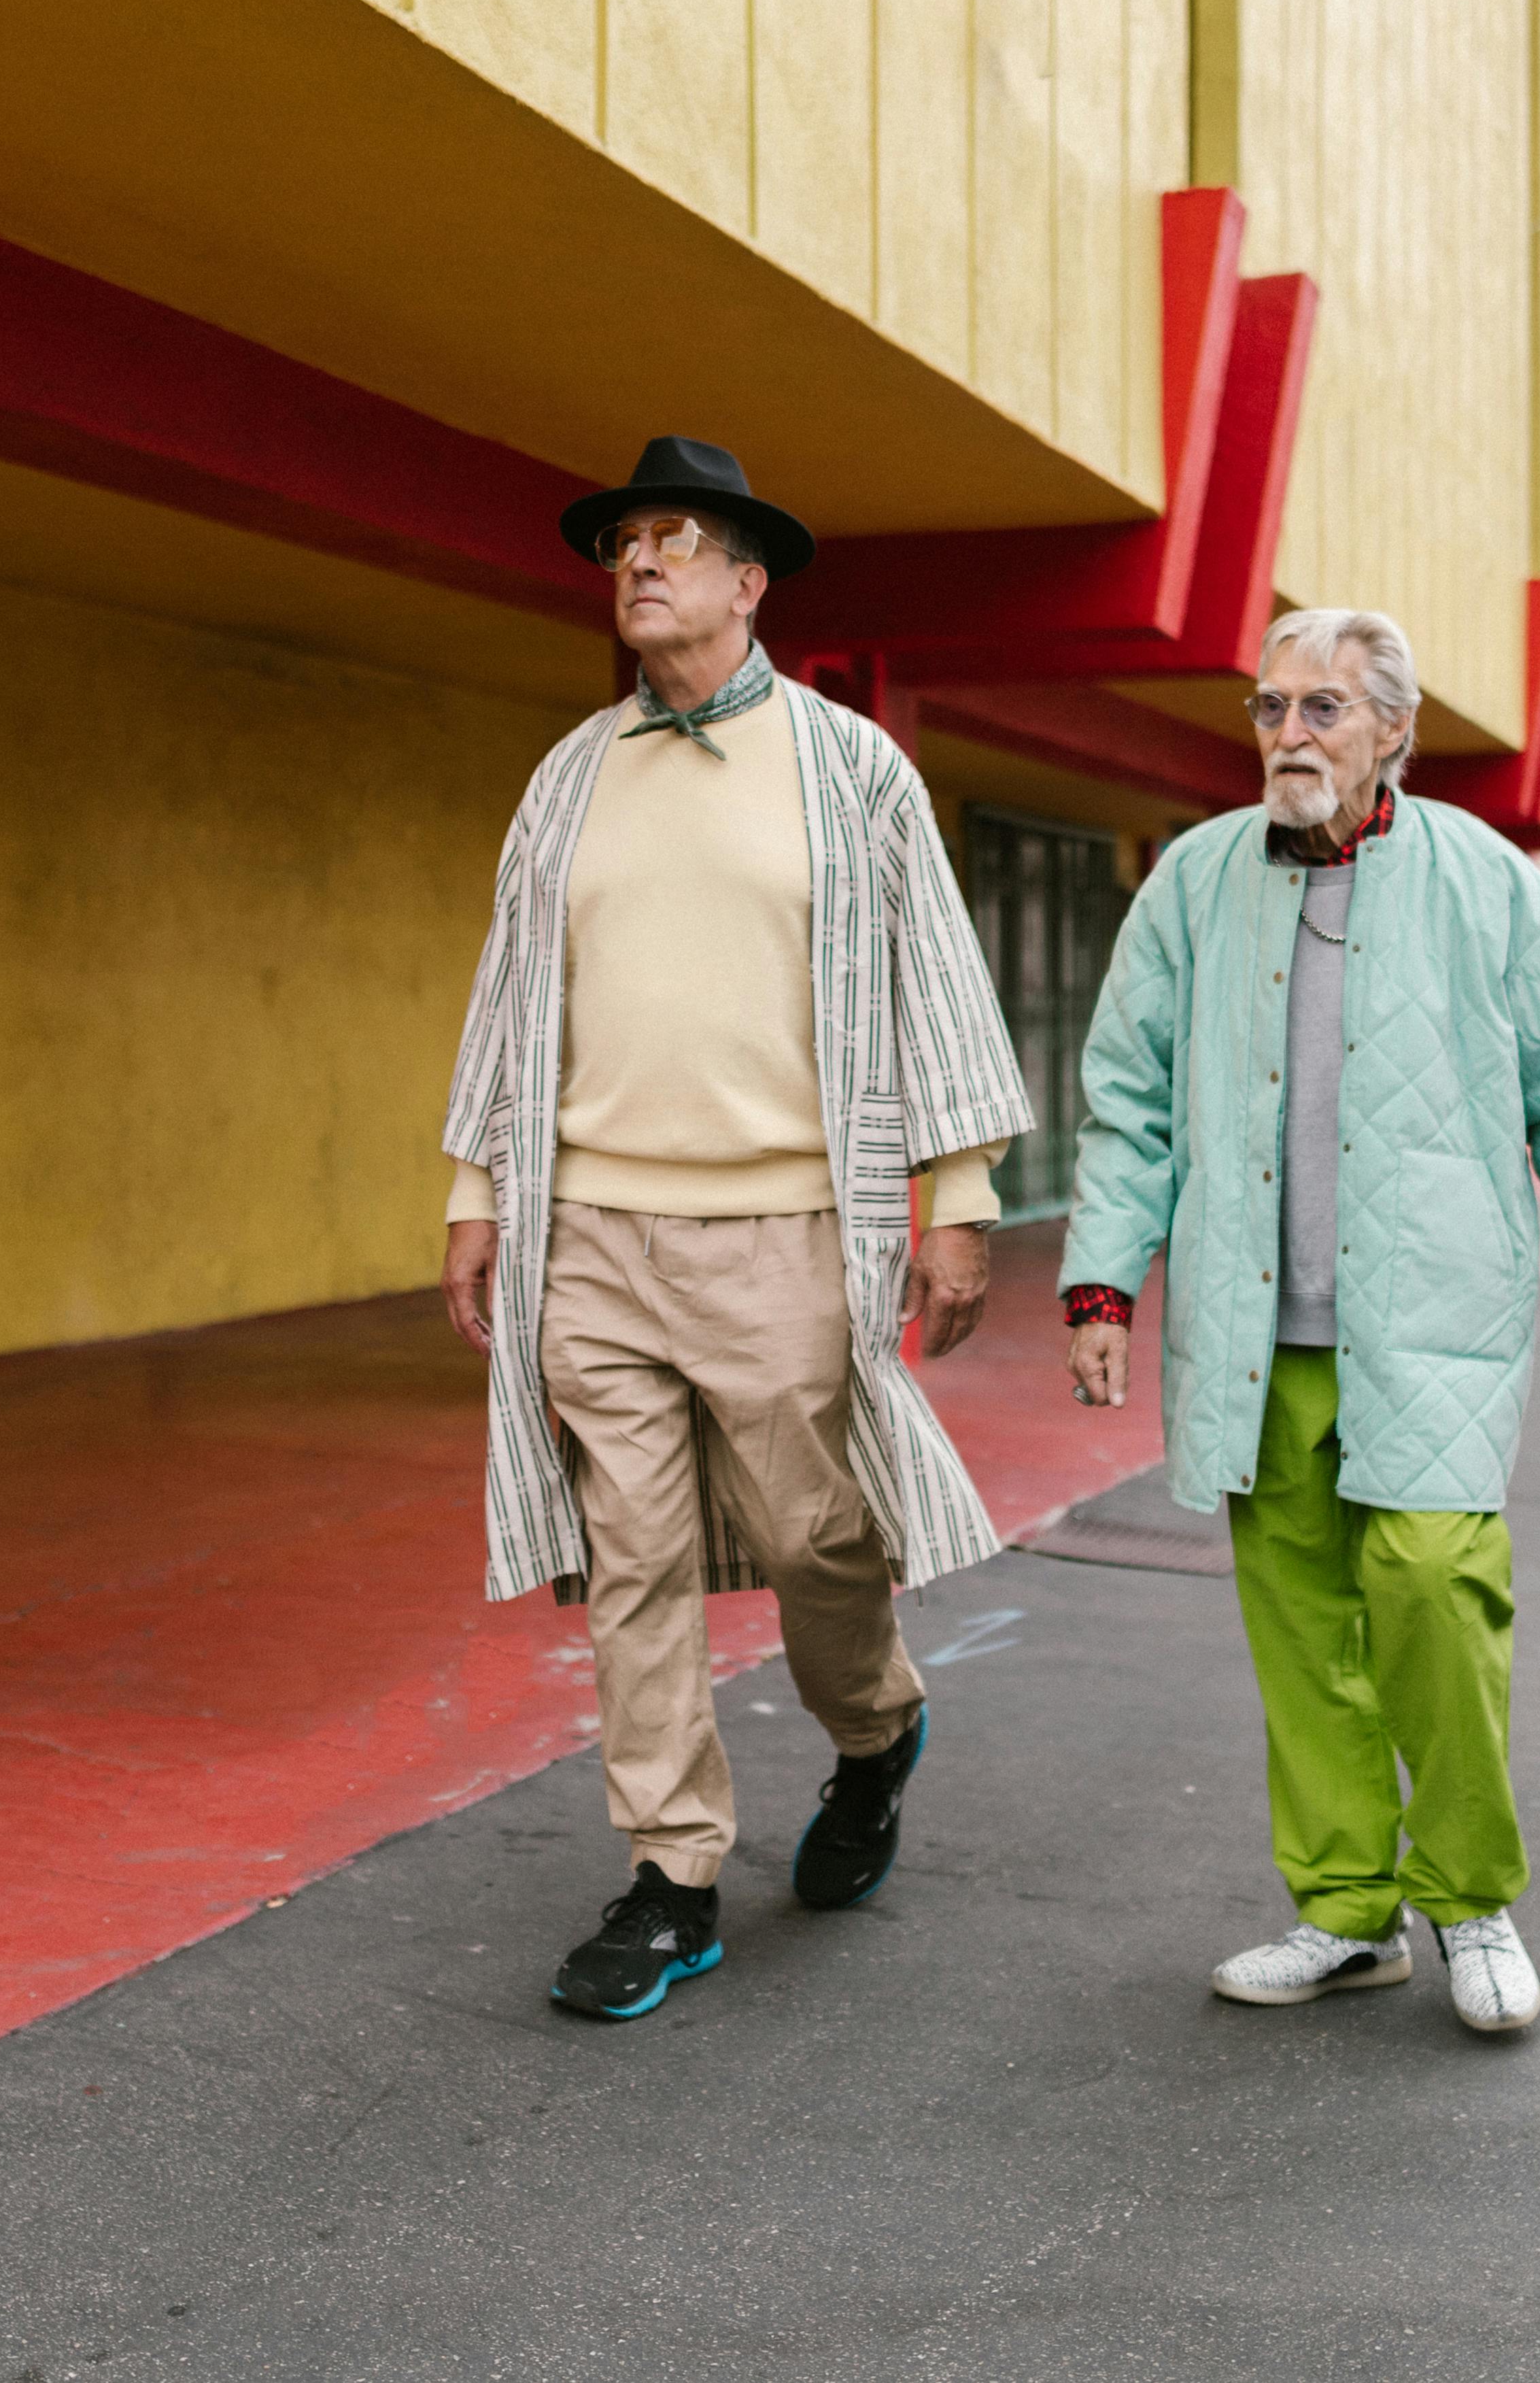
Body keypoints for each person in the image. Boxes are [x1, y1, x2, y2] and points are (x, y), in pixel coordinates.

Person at [440, 435, 1029, 2021]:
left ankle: (872, 1731)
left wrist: (957, 1200)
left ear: (748, 583)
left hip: (787, 1231)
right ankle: (670, 1875)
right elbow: (510, 998)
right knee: (628, 1558)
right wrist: (478, 1194)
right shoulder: (568, 776)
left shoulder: (850, 770)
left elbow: (934, 986)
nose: (639, 564)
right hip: (595, 1235)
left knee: (815, 1536)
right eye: (622, 543)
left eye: (676, 539)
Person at [1060, 607, 1540, 2035]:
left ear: (1395, 728)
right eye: (1270, 710)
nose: (1288, 737)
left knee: (1436, 1591)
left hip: (1433, 1317)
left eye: (1322, 709)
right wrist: (1100, 1281)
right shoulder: (1196, 881)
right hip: (1253, 1331)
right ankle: (1342, 1912)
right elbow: (1126, 1098)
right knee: (1302, 1623)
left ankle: (1467, 1898)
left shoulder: (1488, 883)